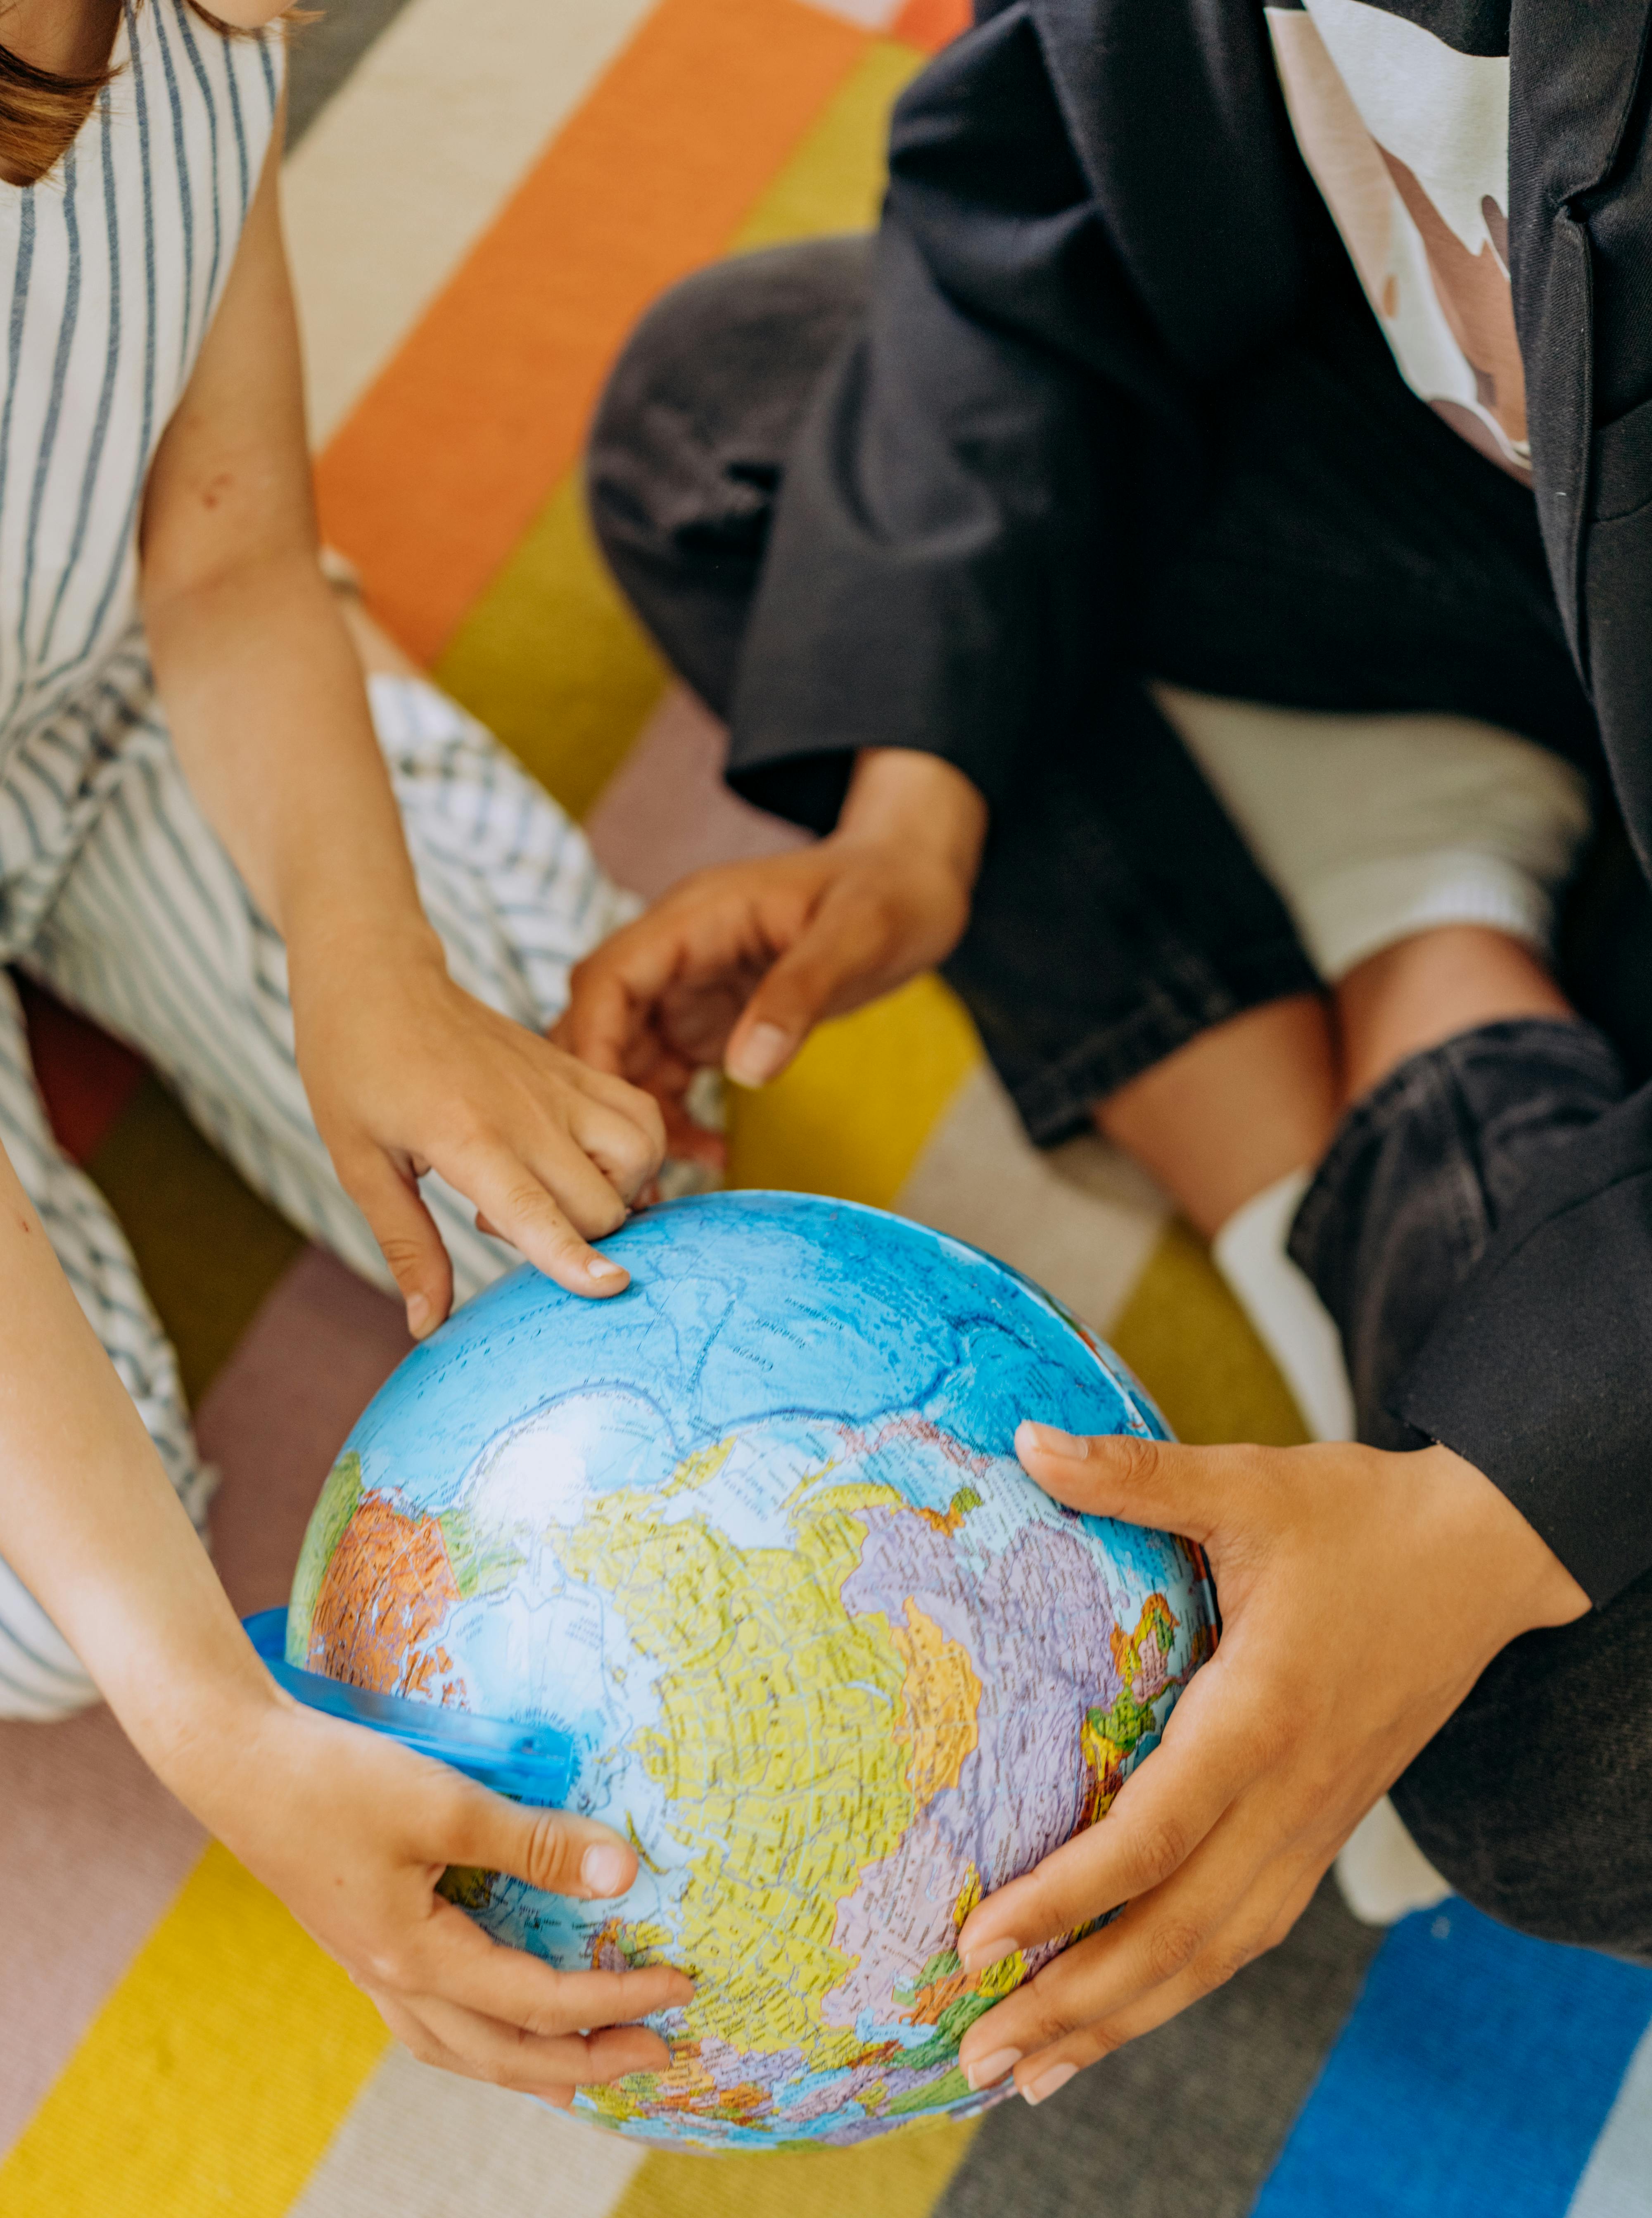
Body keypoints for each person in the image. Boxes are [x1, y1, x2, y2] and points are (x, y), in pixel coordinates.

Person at [563, 0, 1652, 2103]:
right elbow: (1038, 167)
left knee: (1555, 1753)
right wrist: (917, 809)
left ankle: (1432, 1001)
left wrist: (1480, 1515)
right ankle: (1411, 990)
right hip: (1520, 533)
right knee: (731, 429)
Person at [0, 0, 695, 2098]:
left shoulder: (204, 18)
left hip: (92, 673)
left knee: (589, 1169)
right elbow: (169, 1676)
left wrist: (366, 964)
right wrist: (216, 1721)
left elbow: (218, 556)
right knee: (59, 1624)